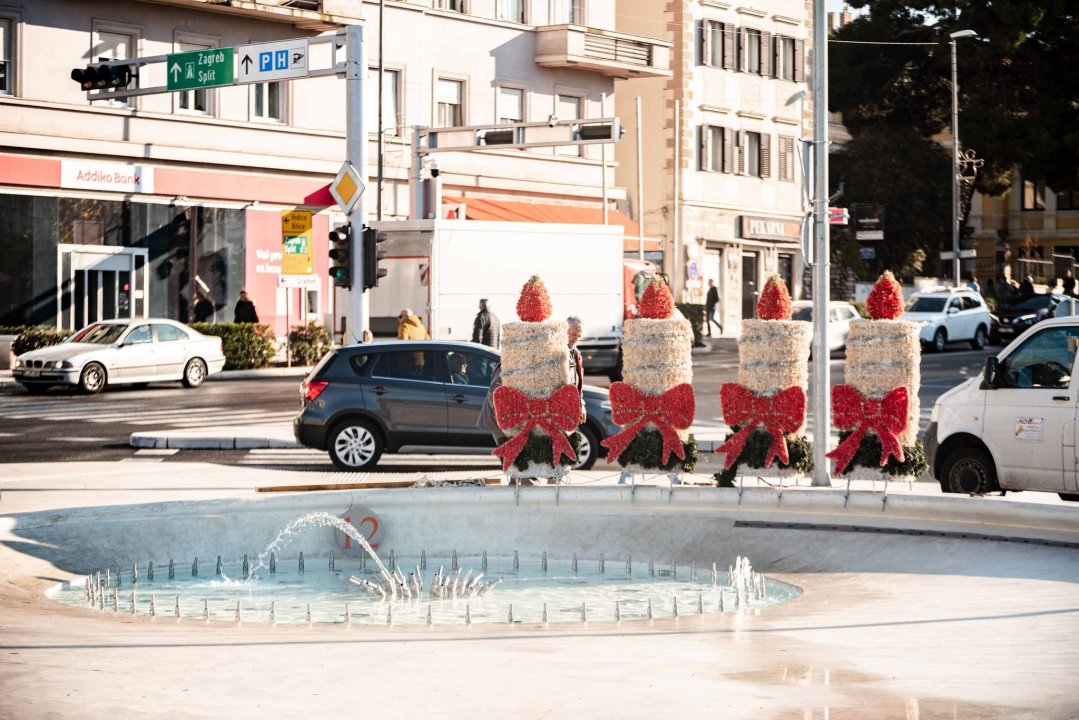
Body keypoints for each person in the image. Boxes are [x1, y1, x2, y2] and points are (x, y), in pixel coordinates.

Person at [566, 315, 587, 425]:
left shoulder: (576, 353)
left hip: (572, 408)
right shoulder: (558, 353)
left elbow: (578, 385)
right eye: (573, 334)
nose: (576, 339)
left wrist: (581, 405)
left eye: (579, 336)